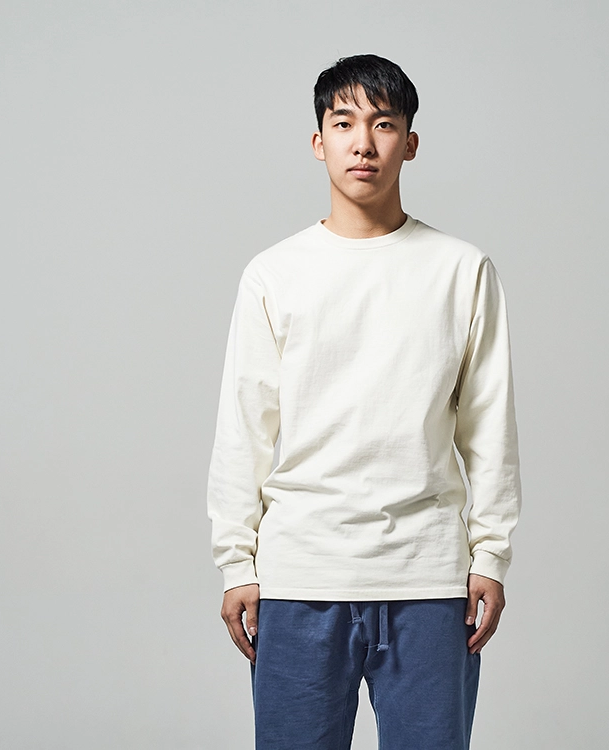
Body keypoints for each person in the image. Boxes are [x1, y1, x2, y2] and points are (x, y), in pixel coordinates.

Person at [206, 53, 522, 750]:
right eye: (344, 123)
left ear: (410, 142)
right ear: (318, 142)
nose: (363, 144)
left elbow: (489, 427)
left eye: (383, 124)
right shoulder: (273, 274)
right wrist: (237, 563)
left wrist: (489, 557)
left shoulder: (461, 269)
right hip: (300, 575)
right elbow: (244, 428)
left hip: (428, 579)